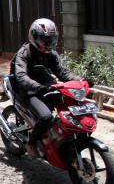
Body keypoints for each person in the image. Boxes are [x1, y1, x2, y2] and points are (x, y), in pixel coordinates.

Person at [12, 18, 81, 158]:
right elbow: (21, 77)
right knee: (46, 117)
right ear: (34, 37)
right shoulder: (24, 53)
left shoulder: (51, 54)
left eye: (52, 40)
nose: (49, 44)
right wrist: (38, 87)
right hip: (29, 91)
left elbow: (62, 72)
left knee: (70, 108)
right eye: (46, 40)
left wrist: (80, 81)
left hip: (47, 87)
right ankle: (31, 143)